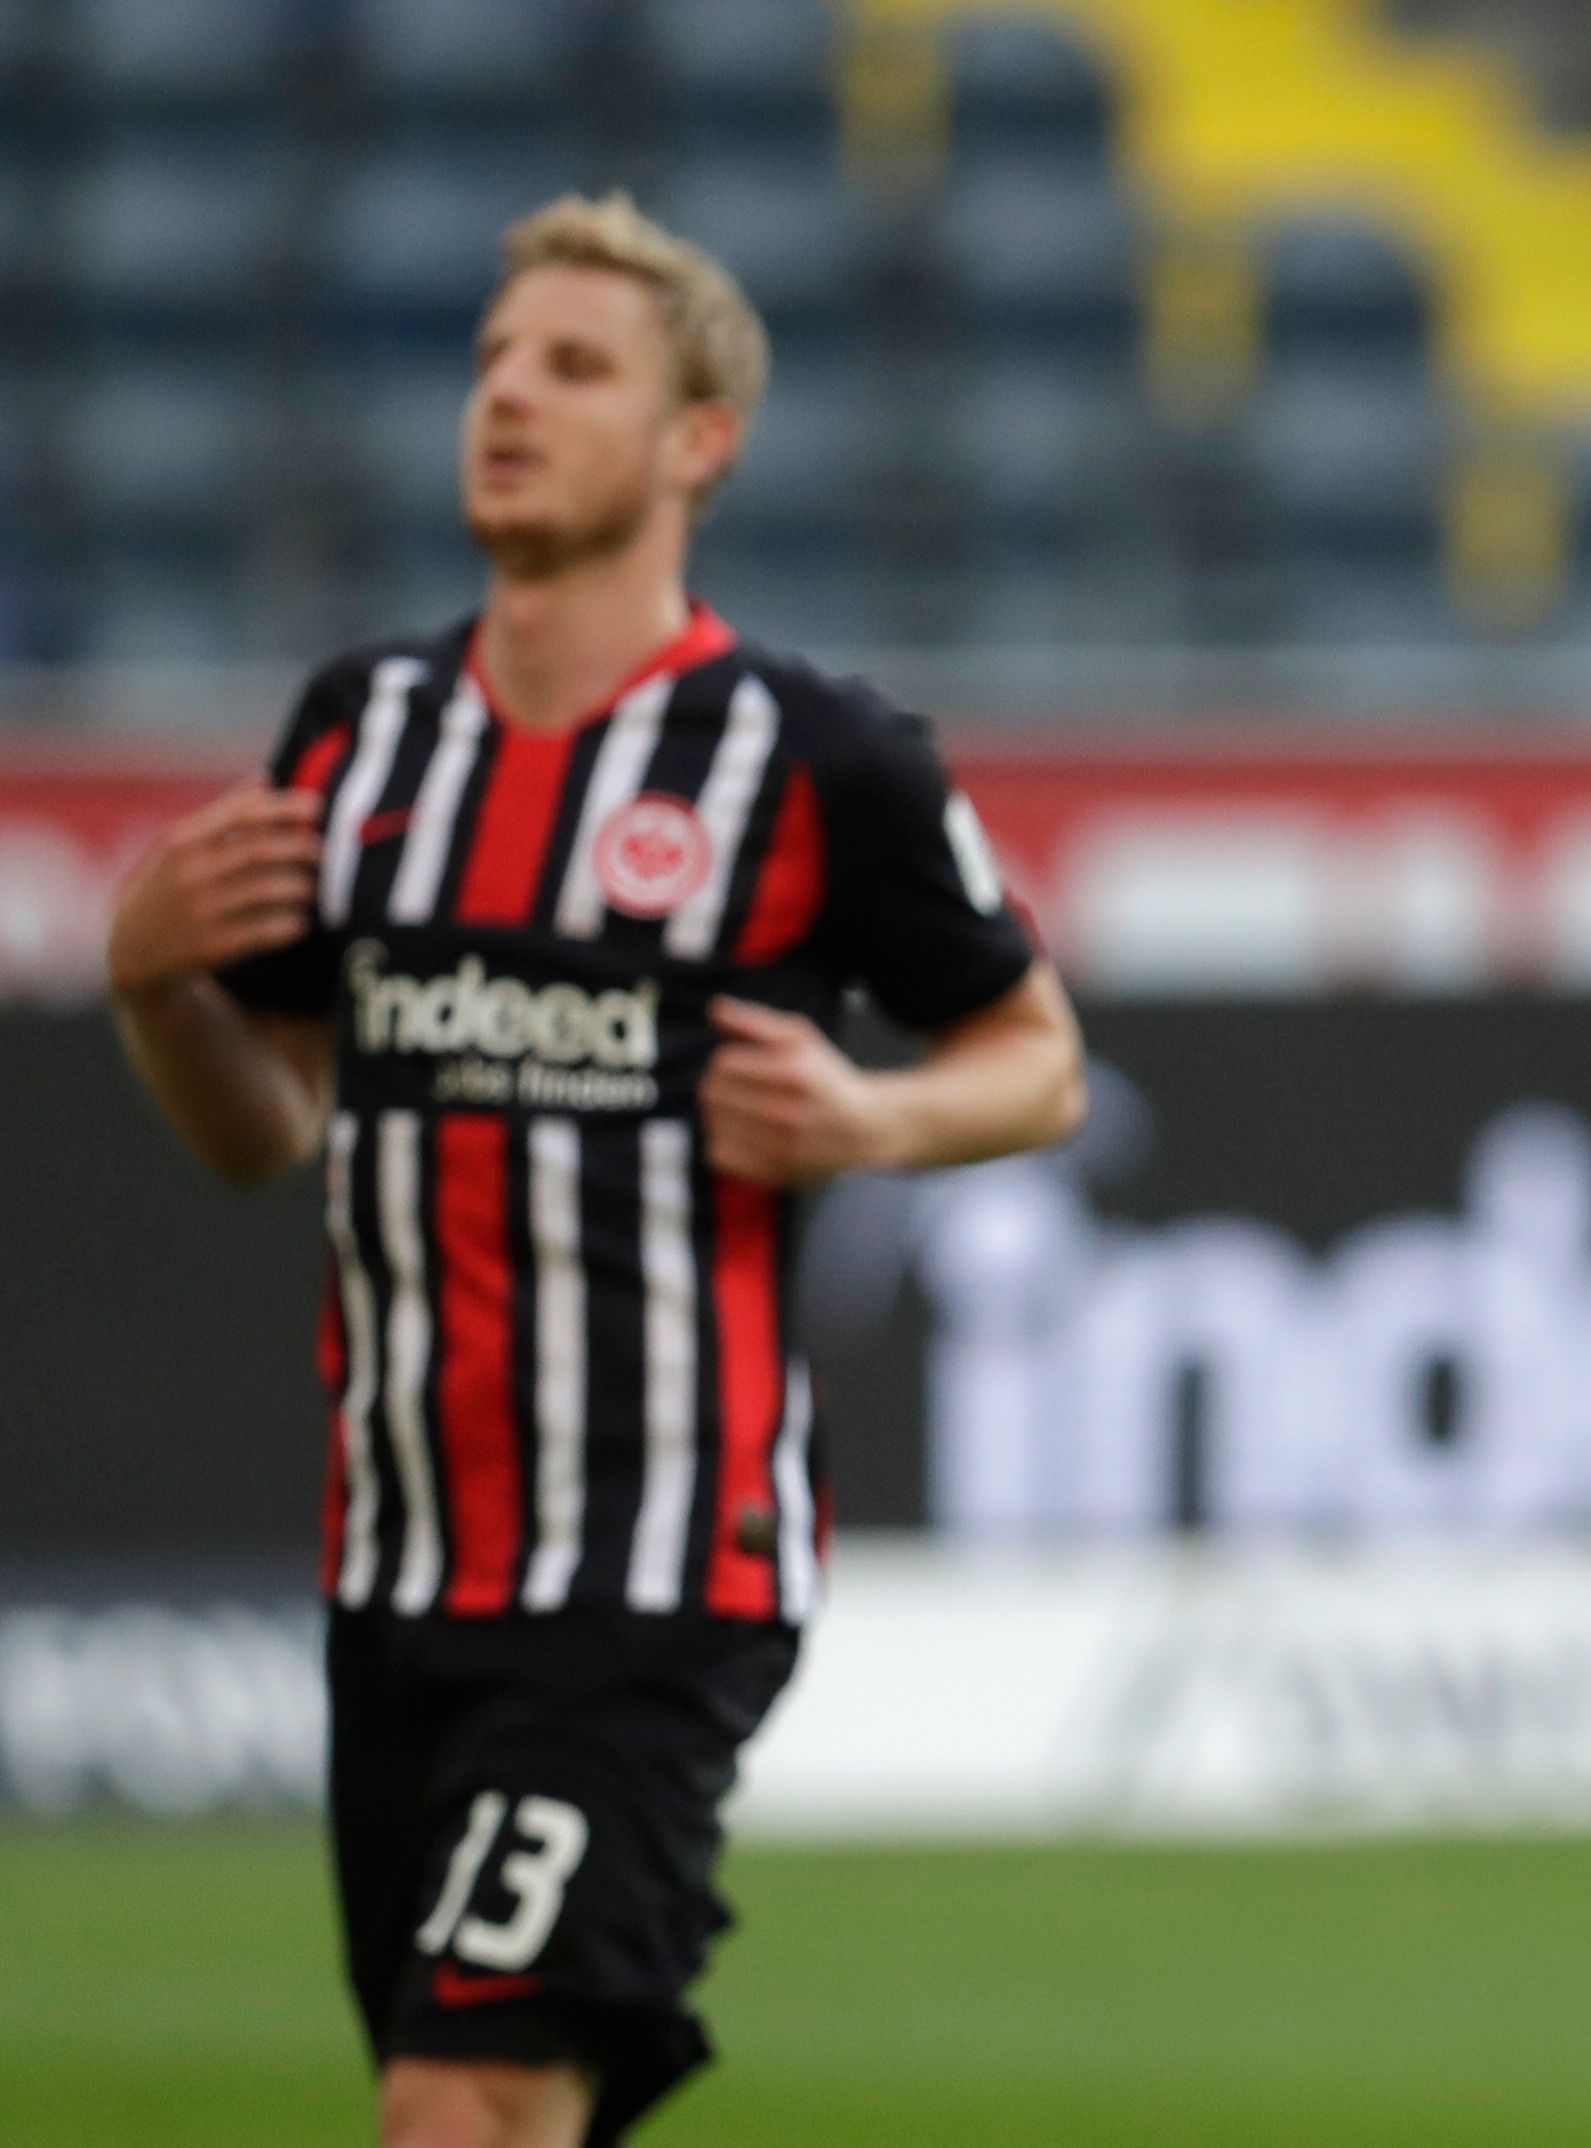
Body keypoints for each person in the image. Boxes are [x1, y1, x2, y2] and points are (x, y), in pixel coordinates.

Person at [105, 195, 1087, 2148]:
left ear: (696, 440)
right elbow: (265, 1128)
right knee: (488, 2103)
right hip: (393, 1572)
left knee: (454, 2104)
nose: (507, 399)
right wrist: (152, 990)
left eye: (572, 367)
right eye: (489, 362)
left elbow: (1037, 1059)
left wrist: (871, 1120)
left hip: (648, 1574)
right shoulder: (362, 734)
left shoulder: (812, 759)